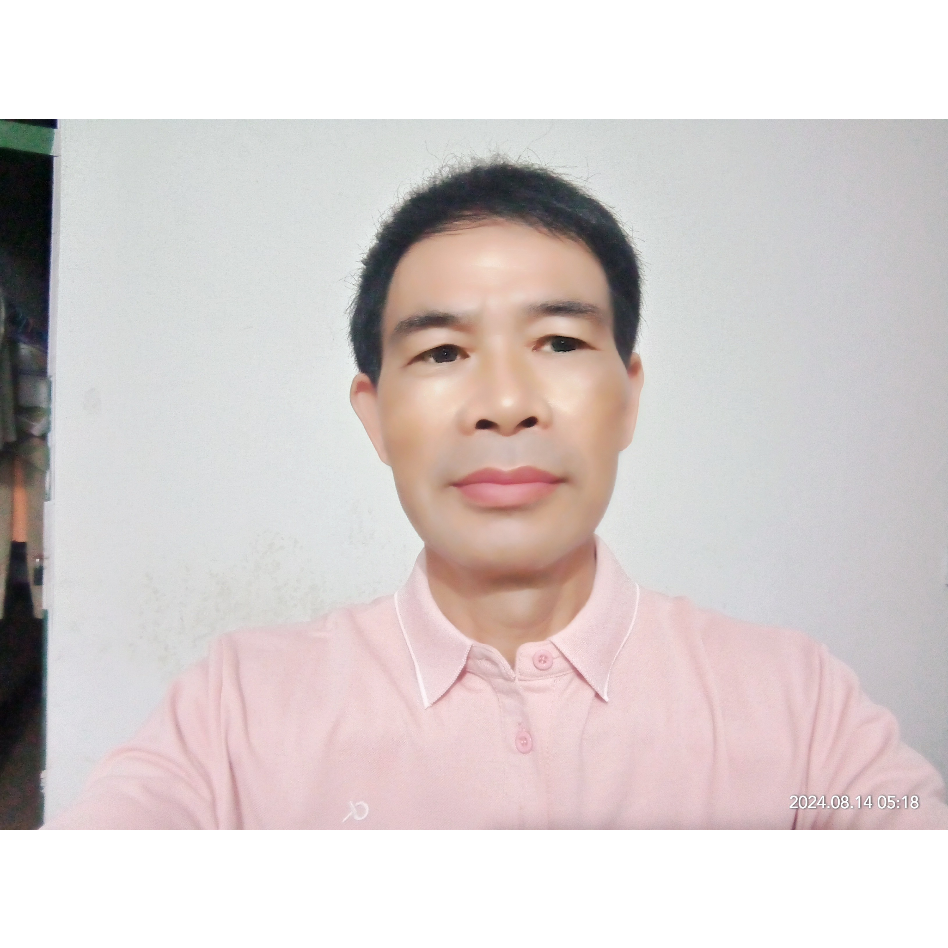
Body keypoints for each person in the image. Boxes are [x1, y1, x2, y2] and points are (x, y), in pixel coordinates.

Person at [48, 161, 948, 829]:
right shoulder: (236, 714)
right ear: (375, 414)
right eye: (442, 352)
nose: (506, 403)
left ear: (629, 396)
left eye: (560, 342)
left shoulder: (796, 707)